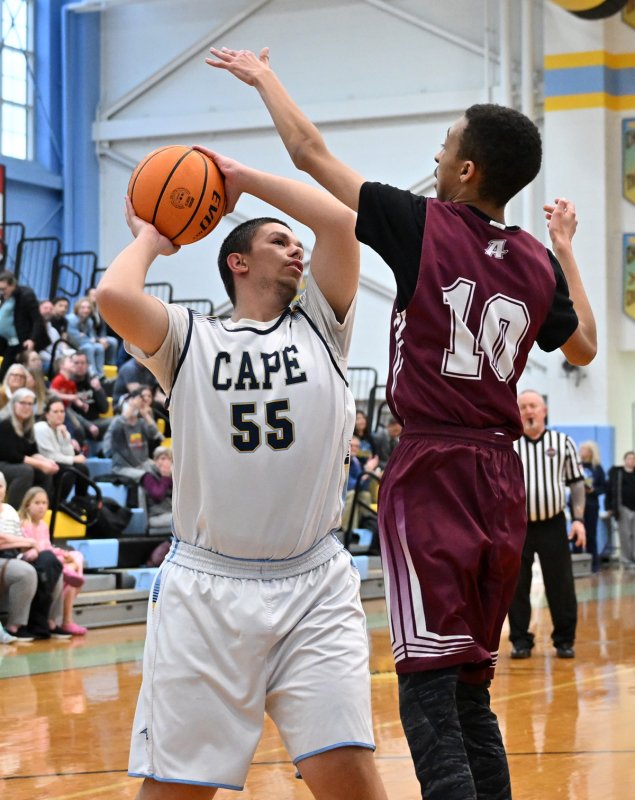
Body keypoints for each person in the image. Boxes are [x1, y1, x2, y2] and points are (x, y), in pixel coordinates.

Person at [206, 47, 597, 800]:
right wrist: (564, 251)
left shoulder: (424, 225)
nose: (437, 150)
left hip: (434, 473)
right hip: (500, 480)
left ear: (466, 172)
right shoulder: (533, 262)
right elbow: (578, 343)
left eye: (447, 143)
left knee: (425, 690)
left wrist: (261, 82)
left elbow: (309, 153)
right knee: (466, 692)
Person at [96, 146, 388, 798]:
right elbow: (114, 294)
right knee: (177, 790)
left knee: (346, 772)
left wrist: (243, 181)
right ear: (238, 262)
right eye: (278, 240)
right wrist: (151, 235)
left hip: (312, 581)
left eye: (295, 242)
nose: (297, 249)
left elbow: (340, 223)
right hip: (207, 589)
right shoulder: (188, 338)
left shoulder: (320, 325)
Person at [507, 390, 587, 660]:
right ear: (516, 412)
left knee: (561, 584)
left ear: (544, 410)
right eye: (523, 407)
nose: (529, 411)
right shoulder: (509, 444)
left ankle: (564, 640)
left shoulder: (562, 442)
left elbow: (576, 483)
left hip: (553, 523)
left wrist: (578, 520)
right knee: (516, 585)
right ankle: (520, 641)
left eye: (533, 406)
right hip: (517, 526)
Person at [0, 471, 70, 641]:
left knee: (53, 565)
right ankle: (15, 625)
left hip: (15, 554)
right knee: (26, 572)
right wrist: (28, 543)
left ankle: (49, 622)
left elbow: (18, 539)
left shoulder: (9, 510)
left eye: (0, 486)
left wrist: (31, 547)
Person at [18, 486, 87, 636]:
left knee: (76, 556)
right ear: (27, 504)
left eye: (44, 503)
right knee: (62, 567)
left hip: (48, 557)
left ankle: (72, 573)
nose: (42, 507)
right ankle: (64, 619)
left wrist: (63, 553)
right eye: (37, 503)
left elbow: (48, 546)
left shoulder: (43, 525)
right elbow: (30, 549)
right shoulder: (24, 524)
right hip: (34, 560)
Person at [0, 388, 59, 507]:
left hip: (15, 463)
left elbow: (33, 452)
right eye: (22, 403)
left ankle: (40, 509)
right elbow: (11, 455)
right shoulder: (5, 423)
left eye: (30, 404)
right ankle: (14, 511)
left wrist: (47, 462)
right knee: (25, 471)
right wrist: (40, 464)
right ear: (13, 404)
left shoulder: (27, 426)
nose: (26, 407)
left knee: (44, 472)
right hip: (3, 463)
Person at [0, 270, 50, 380]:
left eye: (4, 289)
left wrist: (32, 339)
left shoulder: (26, 295)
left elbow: (37, 320)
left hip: (23, 342)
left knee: (9, 372)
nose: (2, 292)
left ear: (12, 284)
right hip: (8, 341)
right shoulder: (6, 296)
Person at [575, 440, 606, 572]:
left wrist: (593, 490)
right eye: (580, 449)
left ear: (591, 452)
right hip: (576, 505)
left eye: (584, 449)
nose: (581, 452)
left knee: (591, 534)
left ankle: (594, 564)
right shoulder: (576, 466)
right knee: (576, 533)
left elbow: (604, 487)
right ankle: (575, 562)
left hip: (592, 504)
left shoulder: (597, 468)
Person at [605, 450, 635, 569]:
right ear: (624, 460)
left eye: (633, 459)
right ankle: (626, 561)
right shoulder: (617, 474)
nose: (632, 461)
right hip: (623, 508)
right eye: (629, 458)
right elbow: (609, 491)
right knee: (625, 535)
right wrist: (609, 507)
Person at [140, 445, 173, 530]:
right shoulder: (148, 476)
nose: (165, 462)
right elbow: (157, 495)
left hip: (171, 513)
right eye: (162, 458)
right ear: (155, 461)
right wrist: (165, 477)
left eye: (167, 459)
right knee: (184, 521)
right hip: (157, 515)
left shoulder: (172, 476)